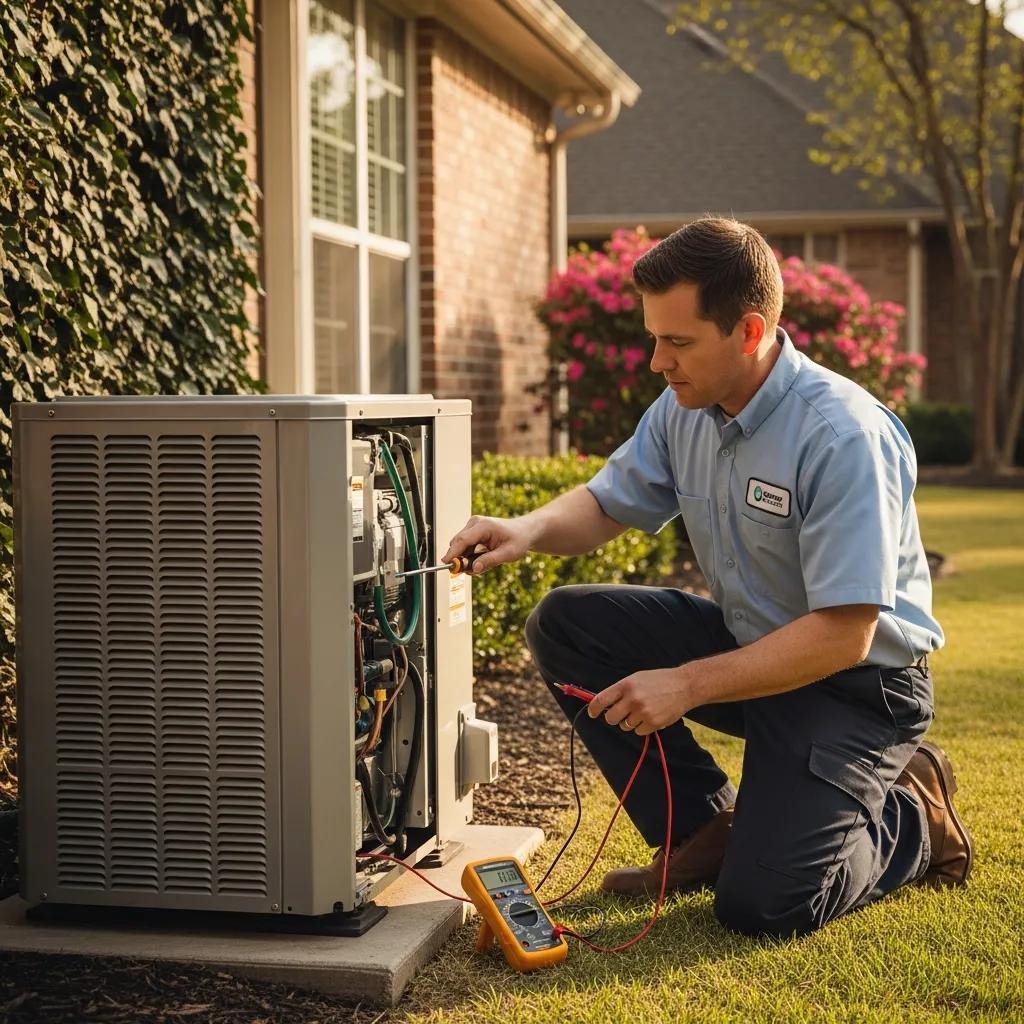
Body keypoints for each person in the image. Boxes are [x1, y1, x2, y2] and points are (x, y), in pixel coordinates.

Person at [442, 217, 972, 938]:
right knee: (568, 623)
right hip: (756, 648)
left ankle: (915, 817)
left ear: (749, 332)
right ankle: (706, 828)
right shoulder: (684, 408)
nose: (658, 361)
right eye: (654, 337)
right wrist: (527, 530)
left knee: (765, 906)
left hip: (857, 689)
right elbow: (607, 502)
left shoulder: (843, 435)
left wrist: (685, 684)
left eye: (678, 341)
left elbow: (846, 635)